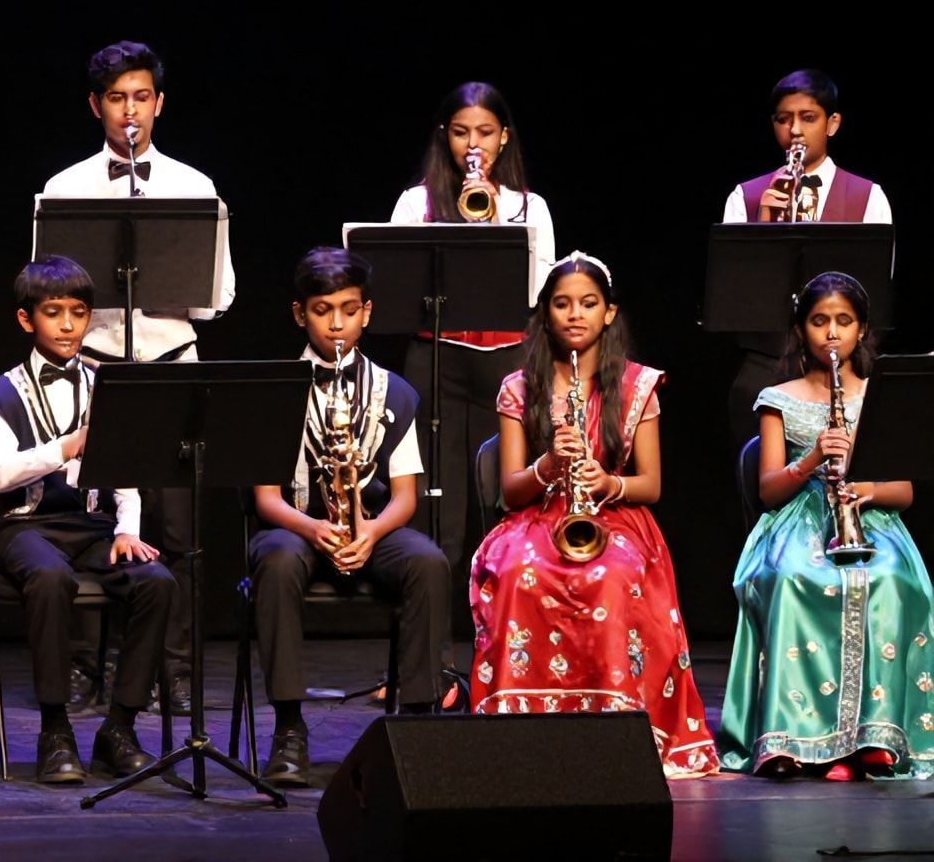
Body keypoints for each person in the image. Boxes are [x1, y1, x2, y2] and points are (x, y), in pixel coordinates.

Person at [469, 252, 716, 777]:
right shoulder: (519, 387)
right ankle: (522, 730)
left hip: (614, 514)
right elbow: (511, 491)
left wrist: (608, 483)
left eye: (588, 303)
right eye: (562, 304)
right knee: (519, 572)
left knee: (612, 575)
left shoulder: (637, 385)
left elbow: (651, 485)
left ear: (609, 312)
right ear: (546, 313)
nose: (575, 314)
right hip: (538, 515)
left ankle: (616, 730)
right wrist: (548, 465)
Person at [42, 40, 234, 711]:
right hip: (94, 368)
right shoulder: (65, 190)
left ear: (160, 103)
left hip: (170, 364)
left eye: (142, 97)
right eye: (118, 98)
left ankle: (173, 670)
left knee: (177, 529)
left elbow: (217, 299)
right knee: (90, 520)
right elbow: (47, 291)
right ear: (96, 106)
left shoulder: (194, 187)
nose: (131, 111)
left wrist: (167, 273)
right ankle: (83, 666)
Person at [718, 271, 933, 779]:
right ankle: (791, 735)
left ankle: (871, 737)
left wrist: (867, 489)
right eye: (819, 321)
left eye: (844, 321)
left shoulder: (879, 394)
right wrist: (813, 457)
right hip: (799, 517)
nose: (832, 333)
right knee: (794, 578)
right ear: (801, 329)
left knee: (890, 580)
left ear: (862, 329)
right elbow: (769, 490)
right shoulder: (777, 398)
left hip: (868, 517)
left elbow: (905, 492)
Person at [249, 248, 449, 786]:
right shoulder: (274, 391)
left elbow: (405, 497)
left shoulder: (395, 392)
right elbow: (266, 499)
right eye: (322, 310)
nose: (336, 324)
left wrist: (372, 532)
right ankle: (289, 727)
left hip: (370, 528)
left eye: (348, 309)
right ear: (300, 314)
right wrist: (314, 528)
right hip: (297, 528)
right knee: (275, 561)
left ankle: (417, 722)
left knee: (428, 562)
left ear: (367, 312)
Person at [0, 255, 175, 783]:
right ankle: (55, 730)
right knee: (49, 577)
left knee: (156, 581)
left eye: (79, 313)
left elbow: (125, 475)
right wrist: (65, 447)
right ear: (27, 320)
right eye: (53, 313)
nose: (67, 325)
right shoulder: (1, 393)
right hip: (23, 528)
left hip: (91, 528)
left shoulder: (104, 385)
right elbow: (0, 475)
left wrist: (127, 530)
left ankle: (119, 728)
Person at [390, 81, 556, 573]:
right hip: (436, 359)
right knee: (434, 498)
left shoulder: (529, 207)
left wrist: (496, 224)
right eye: (461, 133)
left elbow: (536, 292)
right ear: (446, 136)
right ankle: (433, 612)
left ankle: (501, 606)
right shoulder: (415, 204)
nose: (473, 145)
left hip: (506, 363)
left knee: (498, 494)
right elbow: (398, 286)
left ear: (504, 137)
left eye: (485, 132)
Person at [720, 70, 894, 445]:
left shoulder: (869, 197)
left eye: (808, 117)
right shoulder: (744, 197)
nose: (795, 130)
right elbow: (737, 301)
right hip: (765, 366)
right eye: (784, 119)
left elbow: (873, 294)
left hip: (844, 369)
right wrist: (764, 227)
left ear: (832, 124)